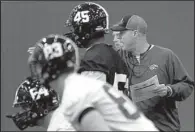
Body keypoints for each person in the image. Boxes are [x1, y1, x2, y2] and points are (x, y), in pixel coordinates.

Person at [8, 34, 159, 131]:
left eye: (40, 65)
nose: (37, 72)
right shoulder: (81, 85)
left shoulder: (74, 94)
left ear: (50, 67)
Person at [111, 14, 194, 131]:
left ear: (135, 33)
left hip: (163, 128)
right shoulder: (117, 57)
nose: (118, 38)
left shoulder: (165, 56)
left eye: (122, 33)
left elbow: (187, 85)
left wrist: (169, 90)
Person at [65, 2, 129, 94]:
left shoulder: (94, 58)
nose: (74, 33)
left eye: (76, 28)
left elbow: (90, 99)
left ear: (85, 29)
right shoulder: (112, 54)